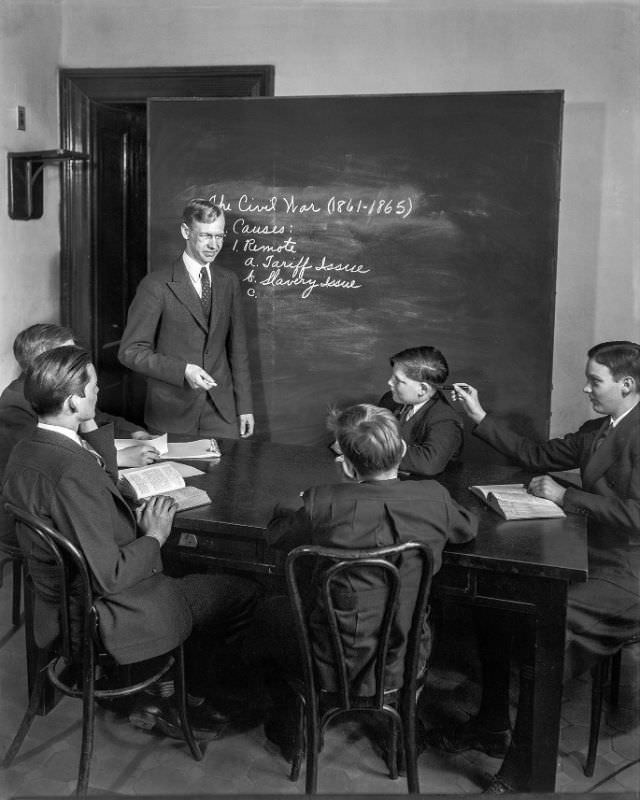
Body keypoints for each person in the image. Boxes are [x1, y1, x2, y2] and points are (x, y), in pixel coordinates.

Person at [2, 345, 260, 739]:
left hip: (59, 605)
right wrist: (155, 535)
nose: (99, 392)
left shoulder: (29, 450)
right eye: (92, 387)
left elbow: (92, 477)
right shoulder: (73, 472)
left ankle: (158, 685)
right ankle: (190, 703)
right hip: (106, 614)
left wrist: (87, 426)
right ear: (73, 400)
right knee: (240, 590)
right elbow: (112, 575)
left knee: (184, 569)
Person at [428, 340, 640, 792]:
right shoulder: (601, 428)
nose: (586, 388)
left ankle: (526, 771)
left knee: (548, 632)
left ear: (627, 384)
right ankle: (491, 725)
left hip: (631, 572)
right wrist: (479, 416)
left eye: (594, 380)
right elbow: (537, 456)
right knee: (496, 608)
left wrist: (569, 497)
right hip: (593, 556)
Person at [246, 403, 478, 761]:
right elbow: (466, 529)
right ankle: (402, 736)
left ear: (347, 464)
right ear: (402, 450)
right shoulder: (434, 497)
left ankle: (298, 733)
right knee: (424, 617)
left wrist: (290, 505)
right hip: (404, 653)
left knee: (268, 612)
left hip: (327, 652)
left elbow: (277, 536)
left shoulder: (322, 501)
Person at [0, 324, 160, 551]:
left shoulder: (61, 391)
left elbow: (99, 417)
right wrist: (120, 458)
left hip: (65, 501)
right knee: (125, 527)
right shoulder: (14, 405)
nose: (78, 362)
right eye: (69, 356)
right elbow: (47, 465)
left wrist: (134, 432)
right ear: (45, 363)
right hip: (36, 526)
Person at [118, 198, 254, 439]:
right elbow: (130, 351)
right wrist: (183, 371)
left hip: (221, 412)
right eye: (206, 236)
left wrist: (244, 407)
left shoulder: (228, 281)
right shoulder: (155, 285)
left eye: (219, 236)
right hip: (172, 412)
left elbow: (238, 349)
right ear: (185, 232)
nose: (214, 245)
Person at [377, 345, 464, 477]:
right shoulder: (390, 399)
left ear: (422, 389)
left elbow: (428, 464)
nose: (389, 382)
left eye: (398, 380)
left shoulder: (445, 419)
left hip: (422, 492)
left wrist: (369, 448)